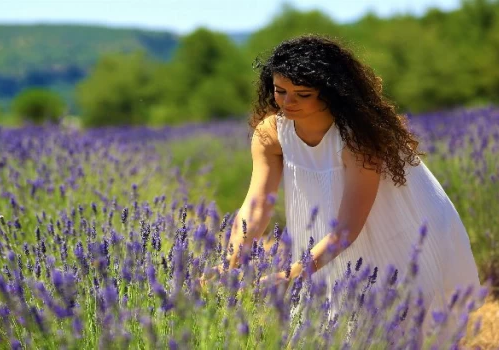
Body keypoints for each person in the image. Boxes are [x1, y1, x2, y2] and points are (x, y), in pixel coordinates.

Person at [199, 34, 482, 343]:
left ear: (330, 93)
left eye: (302, 94)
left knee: (399, 328)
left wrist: (287, 277)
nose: (288, 103)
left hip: (400, 228)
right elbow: (256, 205)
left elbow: (347, 228)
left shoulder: (358, 139)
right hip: (328, 238)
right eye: (280, 91)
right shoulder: (271, 134)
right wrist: (230, 263)